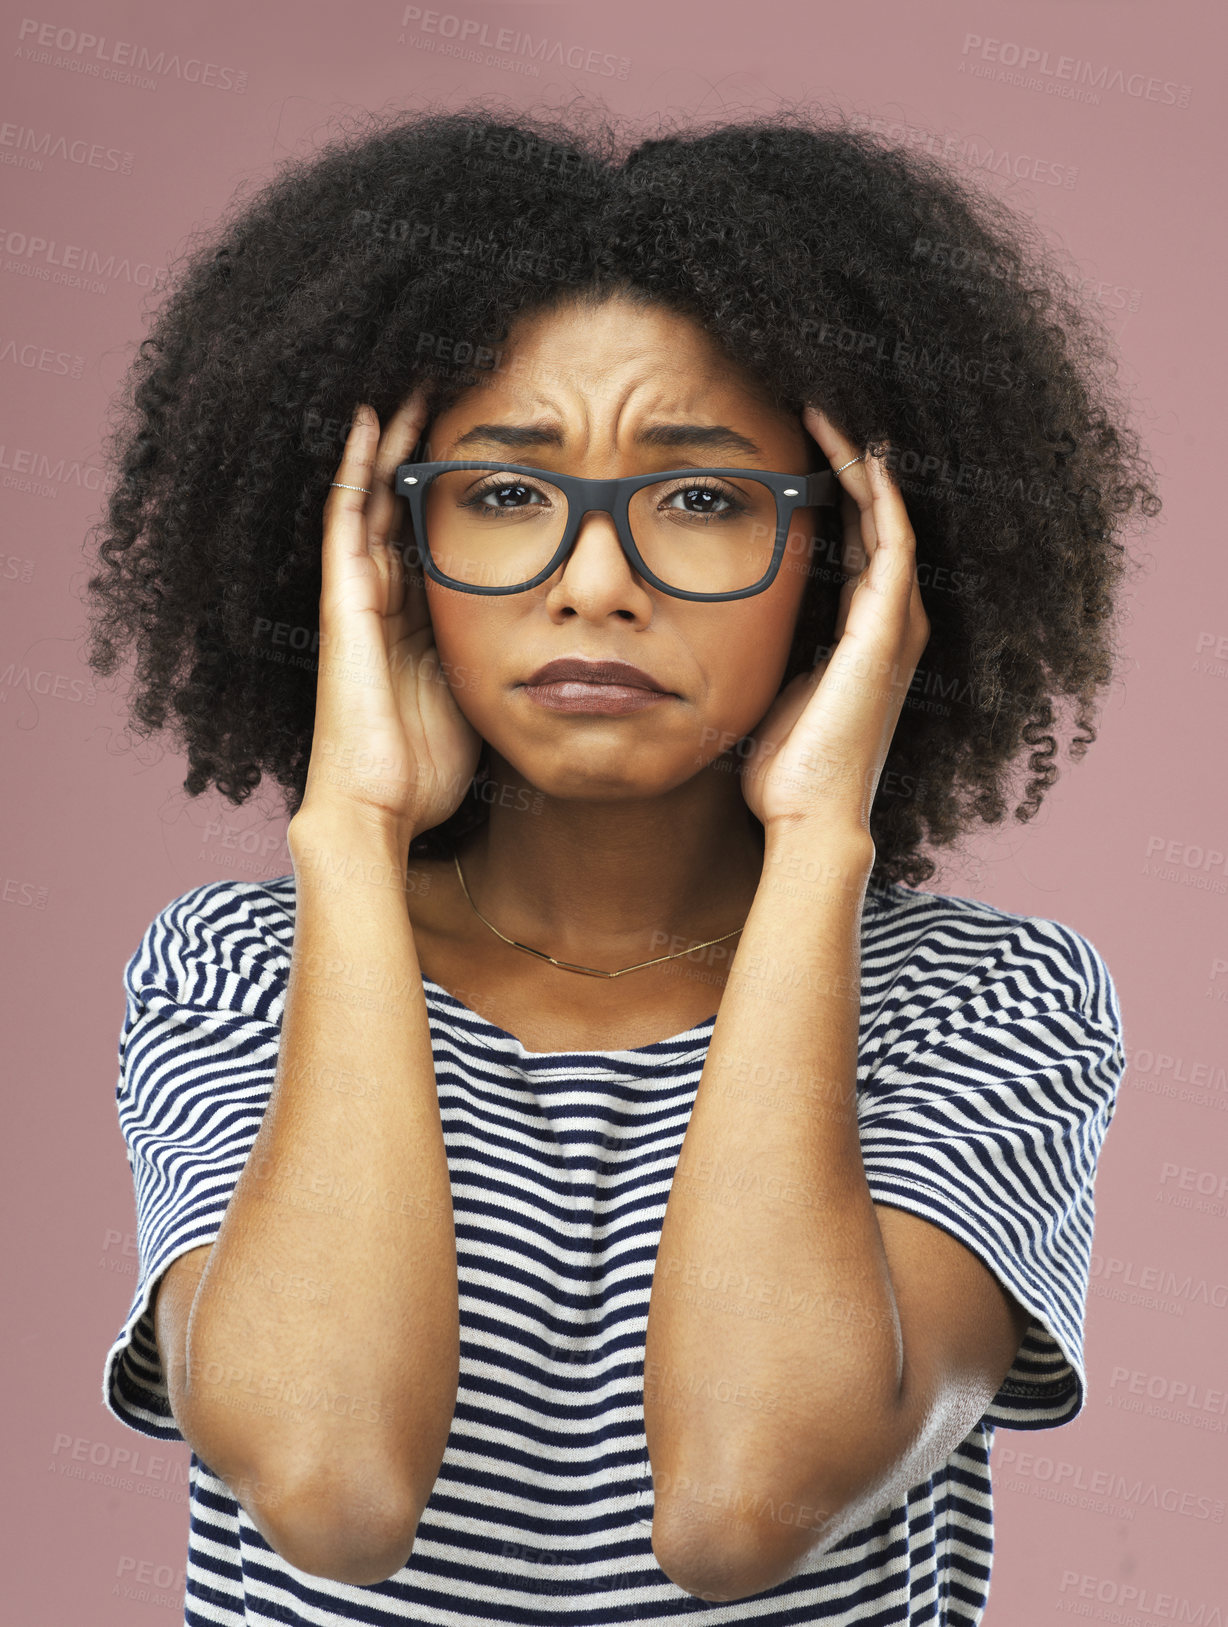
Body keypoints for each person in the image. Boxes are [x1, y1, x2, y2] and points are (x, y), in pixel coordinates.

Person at [86, 100, 1159, 1625]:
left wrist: (818, 845)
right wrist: (348, 830)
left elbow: (742, 1503)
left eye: (706, 499)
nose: (595, 583)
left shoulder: (987, 1007)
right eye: (507, 493)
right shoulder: (241, 971)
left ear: (848, 559)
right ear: (375, 551)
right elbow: (330, 1491)